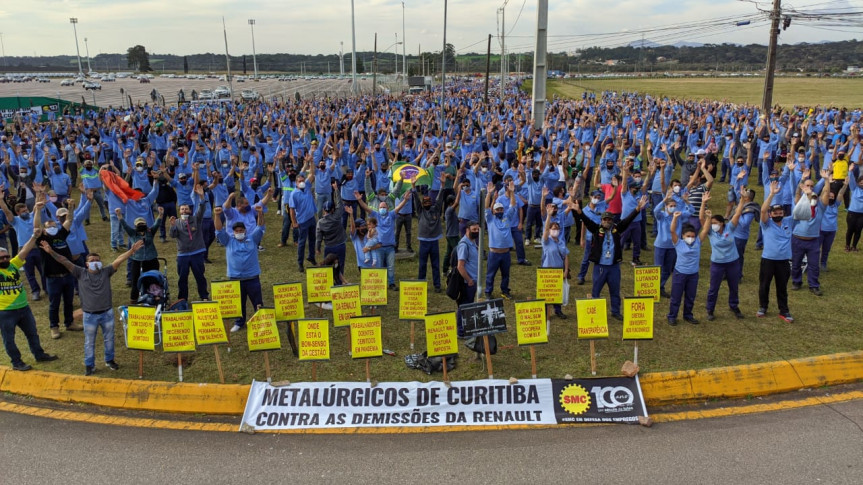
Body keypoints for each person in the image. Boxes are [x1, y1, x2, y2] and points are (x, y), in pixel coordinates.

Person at [40, 240, 144, 376]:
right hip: (89, 316)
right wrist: (51, 252)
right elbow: (63, 260)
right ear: (87, 263)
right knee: (89, 342)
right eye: (92, 260)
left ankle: (110, 360)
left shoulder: (106, 272)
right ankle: (89, 365)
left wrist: (131, 251)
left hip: (107, 313)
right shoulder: (80, 272)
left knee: (109, 339)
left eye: (97, 260)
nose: (95, 262)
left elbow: (119, 259)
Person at [574, 195, 648, 320]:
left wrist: (637, 208)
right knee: (596, 291)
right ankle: (595, 312)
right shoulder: (596, 230)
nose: (607, 222)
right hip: (600, 267)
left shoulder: (617, 229)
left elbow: (627, 220)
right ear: (601, 221)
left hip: (614, 267)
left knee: (615, 291)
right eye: (605, 220)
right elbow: (586, 221)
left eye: (609, 220)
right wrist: (579, 212)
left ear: (612, 221)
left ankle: (615, 311)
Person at [0, 231, 58, 371]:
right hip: (5, 312)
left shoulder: (14, 264)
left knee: (32, 333)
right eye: (1, 258)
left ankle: (39, 354)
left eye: (7, 256)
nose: (5, 259)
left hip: (24, 308)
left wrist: (34, 236)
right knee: (9, 339)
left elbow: (25, 249)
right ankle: (17, 362)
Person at [34, 198, 81, 339]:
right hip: (53, 278)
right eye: (49, 226)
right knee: (54, 304)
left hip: (67, 274)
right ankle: (54, 327)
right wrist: (37, 210)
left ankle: (69, 323)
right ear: (44, 229)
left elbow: (69, 221)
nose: (52, 227)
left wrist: (71, 207)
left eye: (54, 225)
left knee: (68, 301)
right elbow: (36, 227)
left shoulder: (61, 234)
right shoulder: (42, 239)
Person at [214, 205, 265, 333]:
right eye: (236, 231)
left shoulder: (253, 239)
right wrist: (216, 215)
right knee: (238, 303)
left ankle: (262, 321)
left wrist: (260, 214)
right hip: (235, 278)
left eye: (241, 230)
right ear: (233, 232)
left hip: (252, 277)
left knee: (257, 301)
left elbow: (260, 227)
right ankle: (239, 322)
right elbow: (219, 230)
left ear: (245, 231)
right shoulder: (228, 241)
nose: (239, 232)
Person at [704, 191, 746, 321]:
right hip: (717, 264)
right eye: (712, 223)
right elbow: (701, 219)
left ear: (722, 223)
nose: (713, 225)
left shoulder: (730, 228)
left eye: (716, 223)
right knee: (714, 287)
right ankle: (710, 309)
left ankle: (734, 306)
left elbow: (737, 214)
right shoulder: (710, 232)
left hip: (733, 262)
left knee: (734, 286)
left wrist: (743, 200)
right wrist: (704, 203)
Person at [757, 181, 794, 323]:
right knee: (764, 284)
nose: (778, 214)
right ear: (771, 214)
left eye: (780, 213)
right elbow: (762, 211)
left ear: (784, 213)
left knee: (782, 286)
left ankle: (784, 310)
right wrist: (772, 194)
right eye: (775, 213)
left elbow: (799, 210)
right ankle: (763, 307)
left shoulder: (788, 222)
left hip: (784, 260)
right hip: (768, 259)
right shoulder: (766, 224)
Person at [791, 173, 831, 296]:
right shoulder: (800, 202)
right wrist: (801, 182)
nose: (810, 187)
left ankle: (813, 285)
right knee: (796, 263)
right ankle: (796, 282)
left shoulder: (820, 204)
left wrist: (826, 180)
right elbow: (797, 192)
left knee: (814, 265)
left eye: (812, 186)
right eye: (807, 185)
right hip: (797, 238)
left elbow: (825, 193)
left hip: (813, 240)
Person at [168, 194, 209, 303]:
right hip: (183, 255)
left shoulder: (196, 219)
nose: (184, 211)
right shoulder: (176, 222)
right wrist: (172, 226)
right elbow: (173, 235)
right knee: (182, 278)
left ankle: (204, 295)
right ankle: (182, 298)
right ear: (179, 211)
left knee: (200, 276)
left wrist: (202, 198)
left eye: (186, 209)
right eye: (182, 209)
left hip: (197, 252)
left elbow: (202, 209)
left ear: (190, 211)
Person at [117, 206, 163, 302]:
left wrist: (160, 214)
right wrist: (119, 215)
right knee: (135, 280)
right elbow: (125, 226)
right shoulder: (133, 233)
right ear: (135, 226)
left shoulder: (150, 232)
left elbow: (157, 223)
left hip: (151, 259)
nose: (141, 225)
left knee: (152, 279)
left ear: (146, 224)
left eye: (142, 224)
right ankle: (133, 299)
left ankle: (154, 297)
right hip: (137, 260)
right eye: (139, 224)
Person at [667, 211, 704, 326]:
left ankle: (688, 315)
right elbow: (672, 230)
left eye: (693, 236)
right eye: (688, 236)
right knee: (676, 296)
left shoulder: (698, 242)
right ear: (683, 236)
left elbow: (706, 230)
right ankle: (672, 316)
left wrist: (707, 218)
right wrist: (675, 218)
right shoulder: (679, 243)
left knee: (690, 296)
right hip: (680, 274)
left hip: (693, 274)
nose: (691, 238)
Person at [484, 181, 517, 300]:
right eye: (497, 210)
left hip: (505, 253)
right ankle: (488, 292)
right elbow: (486, 207)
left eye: (501, 209)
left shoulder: (507, 217)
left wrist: (512, 192)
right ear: (494, 211)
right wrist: (489, 194)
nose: (499, 211)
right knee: (490, 274)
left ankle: (504, 290)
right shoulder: (490, 220)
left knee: (506, 275)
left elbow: (513, 206)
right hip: (494, 253)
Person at [414, 185, 445, 292]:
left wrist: (442, 186)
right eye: (425, 203)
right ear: (422, 205)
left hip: (434, 242)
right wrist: (414, 187)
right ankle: (421, 283)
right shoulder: (420, 211)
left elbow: (439, 200)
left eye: (429, 203)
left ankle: (437, 285)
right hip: (423, 242)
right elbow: (416, 200)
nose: (427, 205)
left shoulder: (436, 210)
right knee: (422, 265)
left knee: (435, 265)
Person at [540, 207, 569, 322]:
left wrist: (566, 270)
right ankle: (545, 312)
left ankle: (558, 310)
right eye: (553, 228)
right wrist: (548, 216)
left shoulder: (561, 242)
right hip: (547, 271)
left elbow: (566, 256)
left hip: (558, 271)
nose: (555, 230)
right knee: (546, 293)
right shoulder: (546, 241)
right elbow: (546, 230)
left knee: (557, 292)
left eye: (557, 228)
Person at [316, 183, 347, 279]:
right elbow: (340, 204)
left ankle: (329, 282)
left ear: (324, 210)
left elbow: (318, 237)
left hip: (328, 247)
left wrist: (318, 248)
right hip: (340, 245)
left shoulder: (320, 222)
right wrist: (336, 189)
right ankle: (339, 283)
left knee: (328, 266)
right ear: (333, 209)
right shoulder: (337, 216)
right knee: (340, 265)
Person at [455, 221, 480, 337]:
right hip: (467, 282)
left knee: (469, 305)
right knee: (464, 306)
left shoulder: (472, 242)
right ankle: (461, 331)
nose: (476, 232)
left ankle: (467, 328)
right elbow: (460, 266)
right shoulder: (464, 245)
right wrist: (469, 280)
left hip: (473, 280)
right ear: (467, 230)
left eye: (477, 230)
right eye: (473, 230)